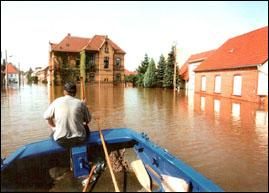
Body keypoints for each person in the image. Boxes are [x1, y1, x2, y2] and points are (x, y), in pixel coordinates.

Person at [44, 82, 91, 148]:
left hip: (61, 141)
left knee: (52, 133)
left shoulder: (57, 101)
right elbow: (88, 120)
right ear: (75, 92)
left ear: (64, 92)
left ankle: (55, 131)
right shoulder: (80, 103)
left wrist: (54, 128)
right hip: (79, 140)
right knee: (86, 127)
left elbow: (46, 117)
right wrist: (84, 106)